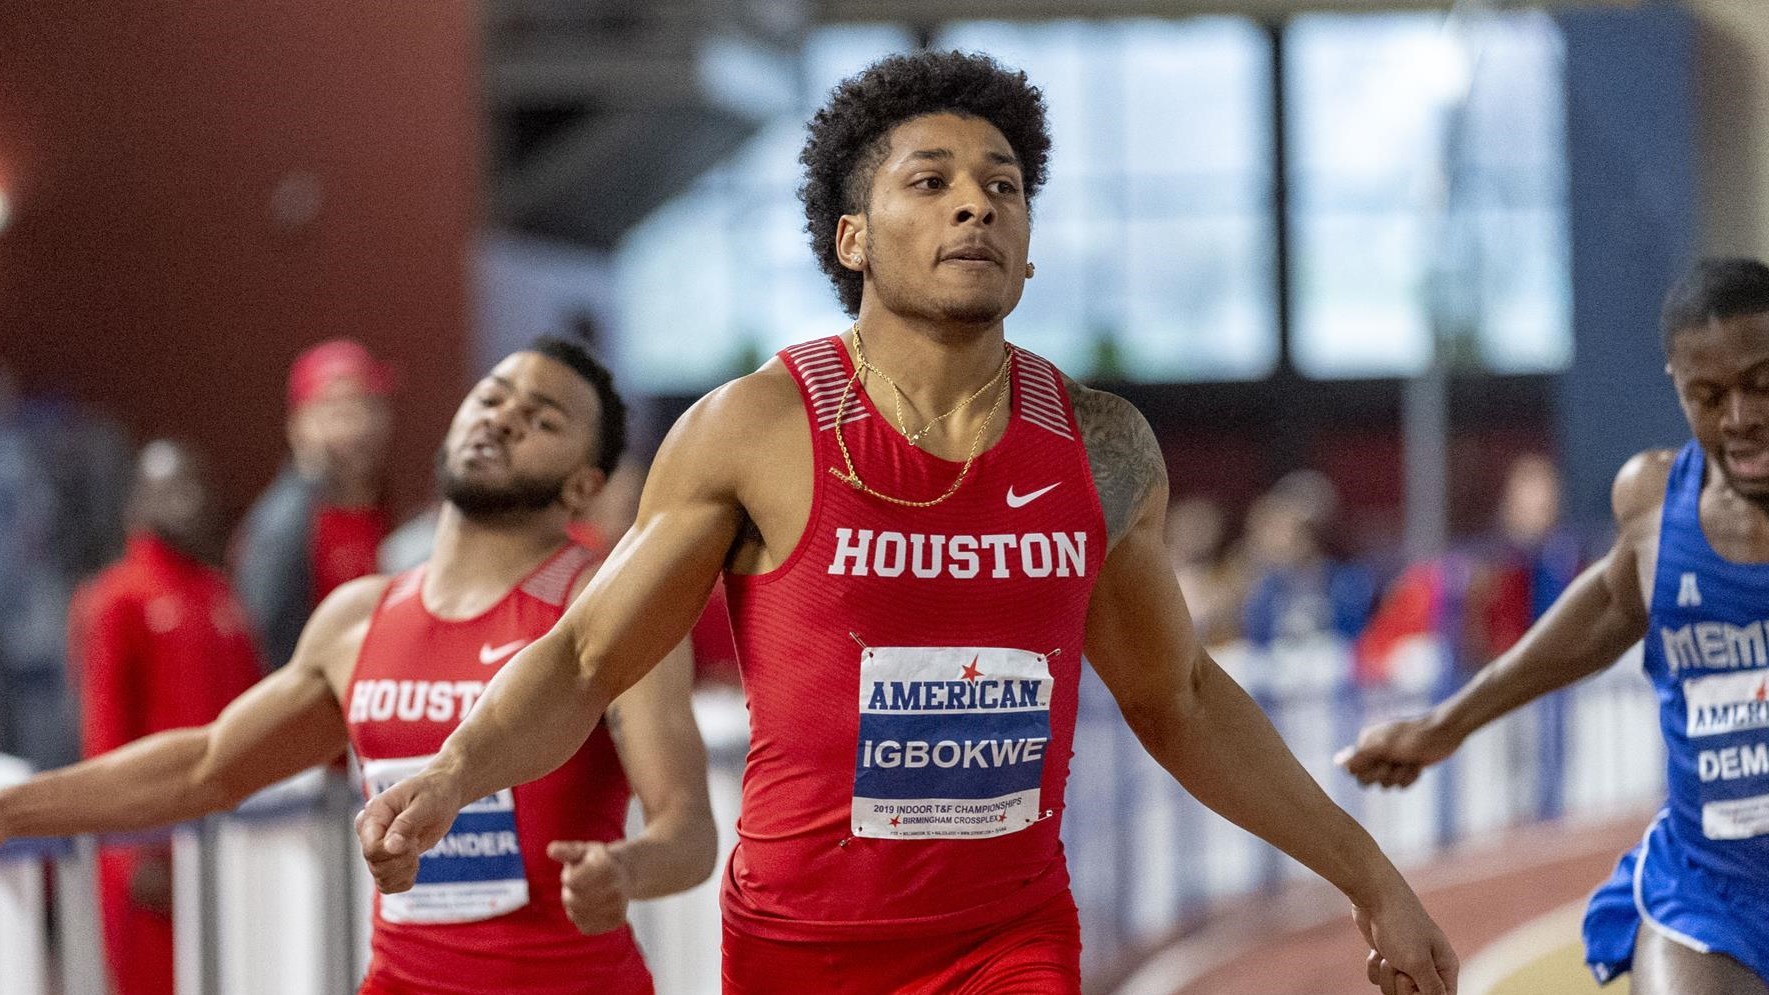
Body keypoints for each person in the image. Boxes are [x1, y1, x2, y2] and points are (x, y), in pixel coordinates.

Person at [358, 51, 1456, 995]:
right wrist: (453, 775)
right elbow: (589, 654)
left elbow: (1181, 699)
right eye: (927, 182)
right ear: (850, 238)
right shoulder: (756, 427)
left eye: (1003, 187)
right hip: (798, 950)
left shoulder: (1102, 447)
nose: (974, 204)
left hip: (1005, 938)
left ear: (1027, 249)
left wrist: (1372, 877)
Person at [0, 339, 717, 995]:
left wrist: (626, 869)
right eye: (492, 396)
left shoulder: (605, 609)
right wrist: (11, 811)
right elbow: (208, 765)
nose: (502, 419)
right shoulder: (357, 617)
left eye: (543, 419)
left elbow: (687, 832)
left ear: (583, 486)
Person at [1338, 257, 1769, 994]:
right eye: (1707, 394)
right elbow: (1602, 609)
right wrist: (1446, 723)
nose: (1738, 417)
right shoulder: (1654, 502)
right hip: (1709, 889)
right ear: (1674, 383)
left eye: (1760, 383)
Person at [67, 440, 263, 995]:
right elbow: (103, 733)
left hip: (223, 835)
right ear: (139, 501)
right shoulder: (115, 598)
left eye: (197, 486)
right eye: (172, 488)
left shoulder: (220, 596)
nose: (190, 501)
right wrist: (132, 854)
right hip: (152, 849)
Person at [235, 338, 394, 669]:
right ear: (299, 425)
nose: (358, 425)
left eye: (369, 405)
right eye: (338, 411)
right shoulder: (285, 522)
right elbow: (267, 646)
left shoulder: (373, 507)